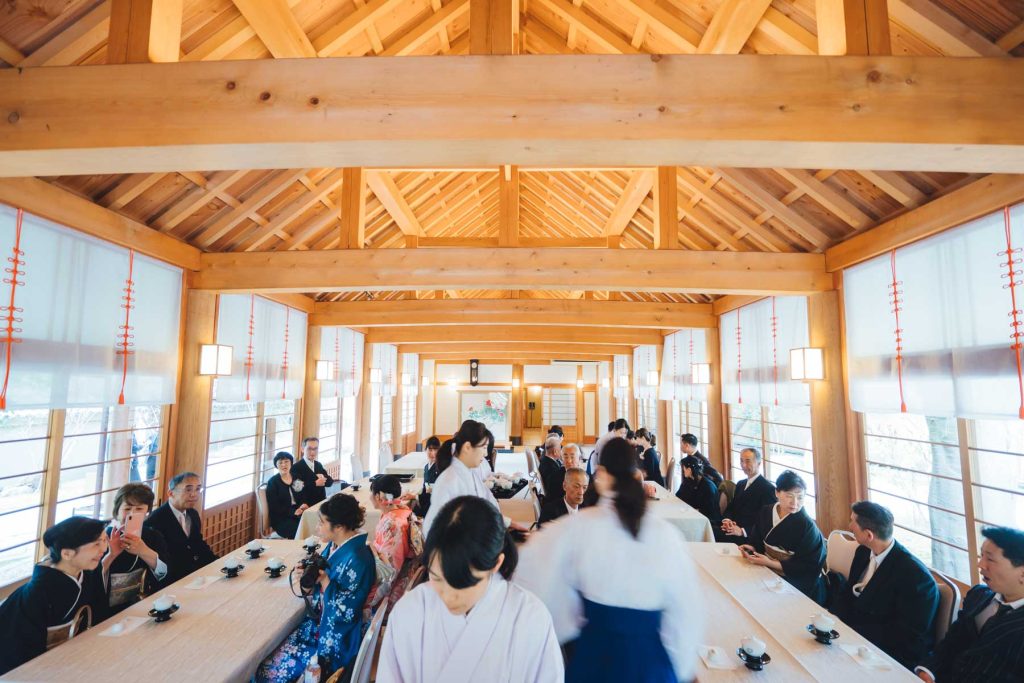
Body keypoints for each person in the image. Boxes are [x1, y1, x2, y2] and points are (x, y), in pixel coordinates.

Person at [516, 438, 704, 683]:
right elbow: (687, 612)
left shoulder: (577, 527)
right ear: (637, 476)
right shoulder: (666, 534)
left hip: (595, 657)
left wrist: (570, 622)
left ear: (601, 476)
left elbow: (532, 571)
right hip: (650, 664)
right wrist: (678, 667)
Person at [378, 496, 564, 683]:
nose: (449, 596)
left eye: (462, 583)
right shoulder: (410, 611)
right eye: (437, 578)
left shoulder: (530, 617)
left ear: (496, 563)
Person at [256, 494, 375, 682]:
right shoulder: (336, 546)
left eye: (321, 523)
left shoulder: (358, 559)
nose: (317, 528)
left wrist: (326, 582)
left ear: (339, 527)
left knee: (267, 671)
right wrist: (309, 577)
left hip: (336, 638)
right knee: (268, 650)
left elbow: (346, 612)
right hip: (321, 623)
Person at [830, 501, 939, 670]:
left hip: (887, 652)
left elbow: (905, 634)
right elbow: (847, 594)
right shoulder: (863, 551)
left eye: (853, 522)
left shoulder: (915, 576)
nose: (850, 526)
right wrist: (834, 619)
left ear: (869, 535)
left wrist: (850, 632)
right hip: (852, 634)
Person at [0, 517, 109, 675]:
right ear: (67, 553)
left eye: (105, 540)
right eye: (96, 544)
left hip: (70, 656)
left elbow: (99, 610)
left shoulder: (89, 570)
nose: (104, 549)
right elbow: (19, 650)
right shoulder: (36, 593)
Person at [916, 526, 1024, 683]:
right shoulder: (979, 596)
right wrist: (928, 671)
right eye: (981, 556)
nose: (980, 565)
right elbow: (951, 644)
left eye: (990, 559)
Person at [727, 470, 827, 604]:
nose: (794, 502)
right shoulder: (766, 511)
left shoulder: (808, 527)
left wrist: (769, 562)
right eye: (789, 496)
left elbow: (808, 567)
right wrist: (752, 547)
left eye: (800, 497)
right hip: (768, 570)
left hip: (796, 581)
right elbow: (758, 540)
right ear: (777, 493)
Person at [422, 420, 500, 536]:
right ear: (467, 447)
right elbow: (431, 529)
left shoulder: (471, 474)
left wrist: (504, 522)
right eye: (483, 447)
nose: (486, 454)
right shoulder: (448, 480)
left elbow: (490, 504)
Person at [103, 483, 170, 614]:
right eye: (127, 508)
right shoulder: (104, 537)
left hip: (142, 604)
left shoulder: (152, 536)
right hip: (107, 610)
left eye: (139, 509)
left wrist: (143, 551)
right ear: (116, 510)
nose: (132, 514)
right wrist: (111, 555)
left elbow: (164, 576)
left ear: (147, 512)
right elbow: (93, 580)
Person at [144, 472, 217, 584]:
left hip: (197, 575)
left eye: (198, 489)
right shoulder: (155, 521)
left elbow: (198, 544)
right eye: (188, 490)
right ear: (171, 493)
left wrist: (218, 564)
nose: (194, 494)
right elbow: (161, 561)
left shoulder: (193, 514)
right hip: (172, 580)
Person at [717, 447, 777, 543]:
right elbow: (731, 507)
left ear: (759, 463)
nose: (744, 465)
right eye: (741, 461)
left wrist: (742, 531)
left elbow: (767, 522)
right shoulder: (741, 483)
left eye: (748, 461)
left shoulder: (768, 489)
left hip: (748, 537)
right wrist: (727, 520)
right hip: (731, 529)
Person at [265, 452, 308, 540]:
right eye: (280, 462)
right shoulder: (273, 482)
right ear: (276, 465)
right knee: (299, 528)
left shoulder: (297, 477)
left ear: (291, 463)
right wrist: (293, 512)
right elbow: (275, 506)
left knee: (311, 524)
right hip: (281, 519)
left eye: (286, 461)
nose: (284, 465)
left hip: (299, 514)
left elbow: (303, 495)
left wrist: (303, 505)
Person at [675, 454, 721, 524]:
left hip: (708, 521)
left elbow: (708, 511)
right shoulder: (689, 480)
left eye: (683, 468)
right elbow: (678, 496)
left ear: (689, 470)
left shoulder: (707, 486)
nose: (683, 471)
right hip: (693, 515)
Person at [291, 437, 334, 506]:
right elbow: (297, 488)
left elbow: (330, 482)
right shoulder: (296, 467)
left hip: (322, 503)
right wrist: (315, 483)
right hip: (306, 505)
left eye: (315, 449)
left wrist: (323, 477)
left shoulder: (318, 464)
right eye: (309, 449)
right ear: (302, 449)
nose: (313, 452)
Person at [414, 435, 442, 516]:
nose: (432, 453)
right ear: (425, 450)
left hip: (436, 505)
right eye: (430, 449)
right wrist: (414, 496)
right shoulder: (426, 467)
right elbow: (425, 488)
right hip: (427, 502)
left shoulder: (441, 467)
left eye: (435, 450)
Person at [538, 435, 566, 500]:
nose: (561, 450)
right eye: (560, 448)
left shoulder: (545, 461)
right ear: (555, 451)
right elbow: (557, 488)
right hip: (556, 500)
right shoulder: (552, 467)